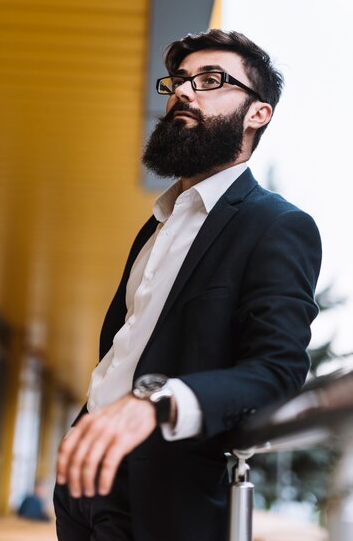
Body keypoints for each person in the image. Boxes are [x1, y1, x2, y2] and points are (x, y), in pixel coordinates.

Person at [53, 29, 322, 541]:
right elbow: (123, 346)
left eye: (211, 80)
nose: (184, 91)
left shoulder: (277, 225)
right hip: (83, 485)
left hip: (162, 497)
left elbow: (278, 369)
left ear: (257, 113)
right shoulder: (156, 225)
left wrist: (158, 402)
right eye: (179, 81)